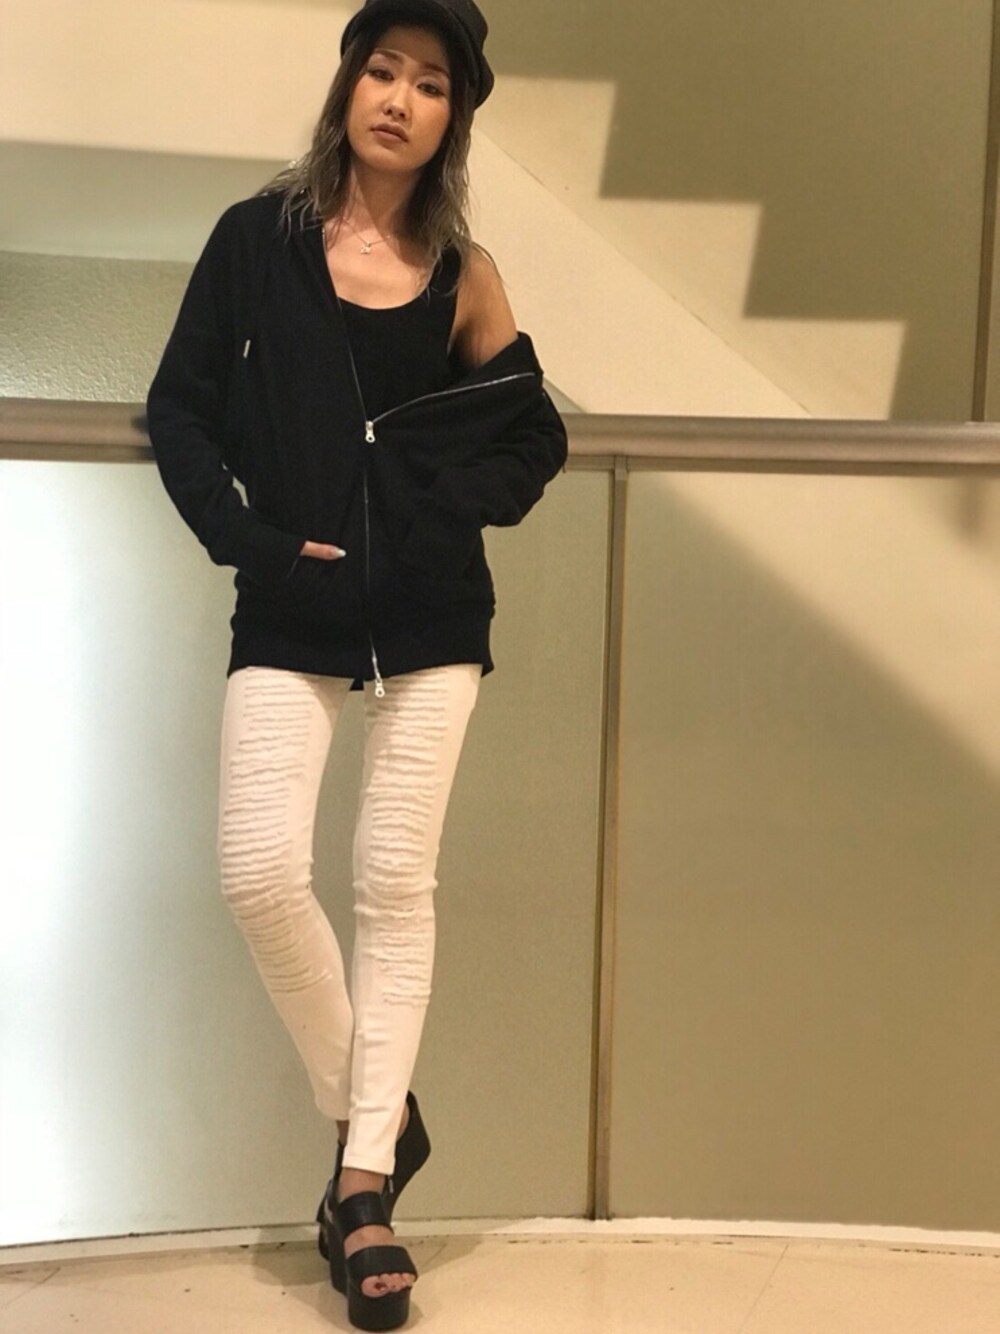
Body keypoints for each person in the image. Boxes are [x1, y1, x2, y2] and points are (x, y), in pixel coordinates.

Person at [146, 0, 567, 1328]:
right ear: (345, 86)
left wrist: (444, 507)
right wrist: (254, 542)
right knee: (259, 871)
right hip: (293, 601)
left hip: (433, 617)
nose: (398, 98)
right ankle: (374, 1110)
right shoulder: (256, 241)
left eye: (430, 84)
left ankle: (366, 1188)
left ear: (454, 118)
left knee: (393, 882)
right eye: (381, 69)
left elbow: (534, 439)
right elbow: (180, 410)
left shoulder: (463, 272)